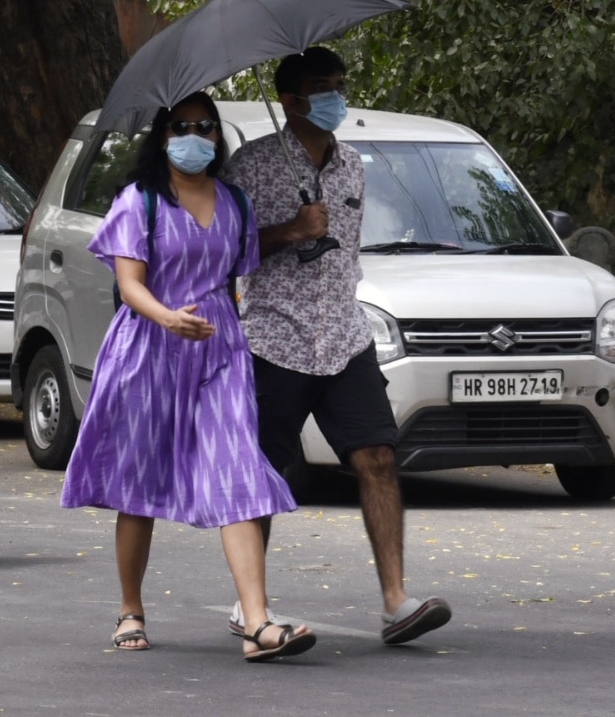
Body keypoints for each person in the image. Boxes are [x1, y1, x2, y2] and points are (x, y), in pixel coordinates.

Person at [61, 91, 316, 662]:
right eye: (183, 126)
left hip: (219, 350)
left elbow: (237, 275)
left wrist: (300, 229)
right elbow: (130, 286)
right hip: (148, 349)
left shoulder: (236, 204)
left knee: (241, 473)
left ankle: (257, 624)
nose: (195, 136)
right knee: (139, 486)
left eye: (205, 126)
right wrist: (168, 318)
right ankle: (131, 609)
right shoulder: (139, 202)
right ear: (162, 134)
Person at [224, 46, 452, 644]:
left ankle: (396, 602)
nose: (336, 97)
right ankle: (251, 607)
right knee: (264, 471)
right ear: (292, 100)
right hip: (275, 336)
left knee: (377, 456)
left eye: (340, 85)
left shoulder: (352, 165)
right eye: (323, 88)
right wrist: (292, 231)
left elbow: (346, 253)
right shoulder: (249, 166)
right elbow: (225, 249)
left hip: (344, 336)